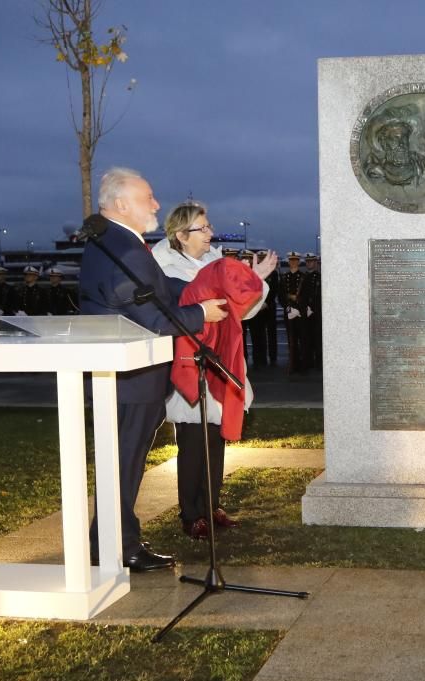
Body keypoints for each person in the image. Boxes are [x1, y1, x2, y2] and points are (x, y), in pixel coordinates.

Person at [79, 167, 228, 572]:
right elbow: (155, 318)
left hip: (129, 379)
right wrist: (202, 312)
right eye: (149, 197)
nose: (157, 204)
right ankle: (118, 546)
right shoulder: (123, 249)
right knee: (125, 463)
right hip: (131, 381)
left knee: (123, 462)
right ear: (122, 203)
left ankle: (110, 541)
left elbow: (160, 287)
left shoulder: (117, 243)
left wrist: (200, 292)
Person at [153, 201, 277, 539]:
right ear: (181, 234)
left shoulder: (216, 262)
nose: (211, 233)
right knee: (192, 443)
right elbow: (191, 305)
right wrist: (242, 283)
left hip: (220, 359)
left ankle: (211, 505)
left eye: (209, 227)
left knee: (216, 439)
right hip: (188, 361)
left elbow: (240, 312)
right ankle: (191, 513)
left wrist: (255, 280)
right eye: (203, 228)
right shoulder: (163, 267)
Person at [279, 251, 306, 374]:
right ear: (289, 262)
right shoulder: (284, 277)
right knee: (291, 339)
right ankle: (292, 364)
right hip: (289, 311)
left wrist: (299, 304)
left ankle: (302, 365)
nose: (293, 262)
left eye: (295, 260)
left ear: (299, 262)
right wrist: (286, 306)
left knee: (302, 338)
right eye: (291, 260)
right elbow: (280, 295)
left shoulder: (303, 277)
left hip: (300, 312)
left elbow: (307, 294)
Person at [303, 252, 322, 370]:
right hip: (305, 312)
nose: (309, 263)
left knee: (318, 338)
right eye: (308, 261)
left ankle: (319, 362)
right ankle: (308, 362)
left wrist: (314, 308)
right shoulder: (303, 277)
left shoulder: (319, 277)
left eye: (311, 261)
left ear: (315, 263)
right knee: (307, 338)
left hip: (317, 312)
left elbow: (319, 295)